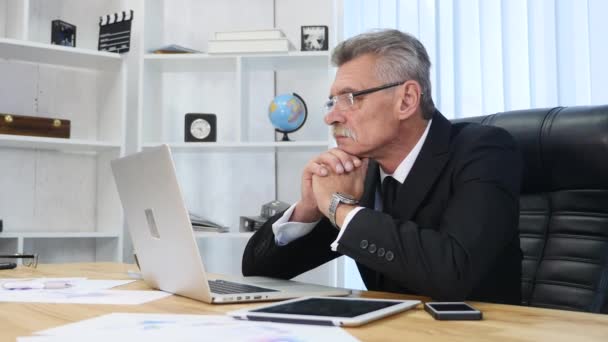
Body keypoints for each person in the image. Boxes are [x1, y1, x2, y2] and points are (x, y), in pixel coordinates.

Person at [242, 29, 523, 304]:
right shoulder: (361, 171)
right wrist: (309, 207)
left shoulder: (485, 150)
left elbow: (453, 273)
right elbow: (260, 272)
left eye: (350, 98)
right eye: (331, 101)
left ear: (407, 100)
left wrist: (338, 207)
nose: (331, 117)